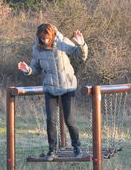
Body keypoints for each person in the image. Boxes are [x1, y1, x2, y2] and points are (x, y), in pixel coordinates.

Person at [18, 23, 88, 161]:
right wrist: (28, 70)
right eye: (41, 38)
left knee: (69, 120)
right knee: (51, 120)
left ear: (52, 35)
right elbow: (36, 67)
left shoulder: (62, 43)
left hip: (67, 86)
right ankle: (52, 151)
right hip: (50, 87)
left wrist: (82, 44)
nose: (44, 41)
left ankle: (77, 147)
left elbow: (81, 56)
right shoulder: (37, 49)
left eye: (46, 38)